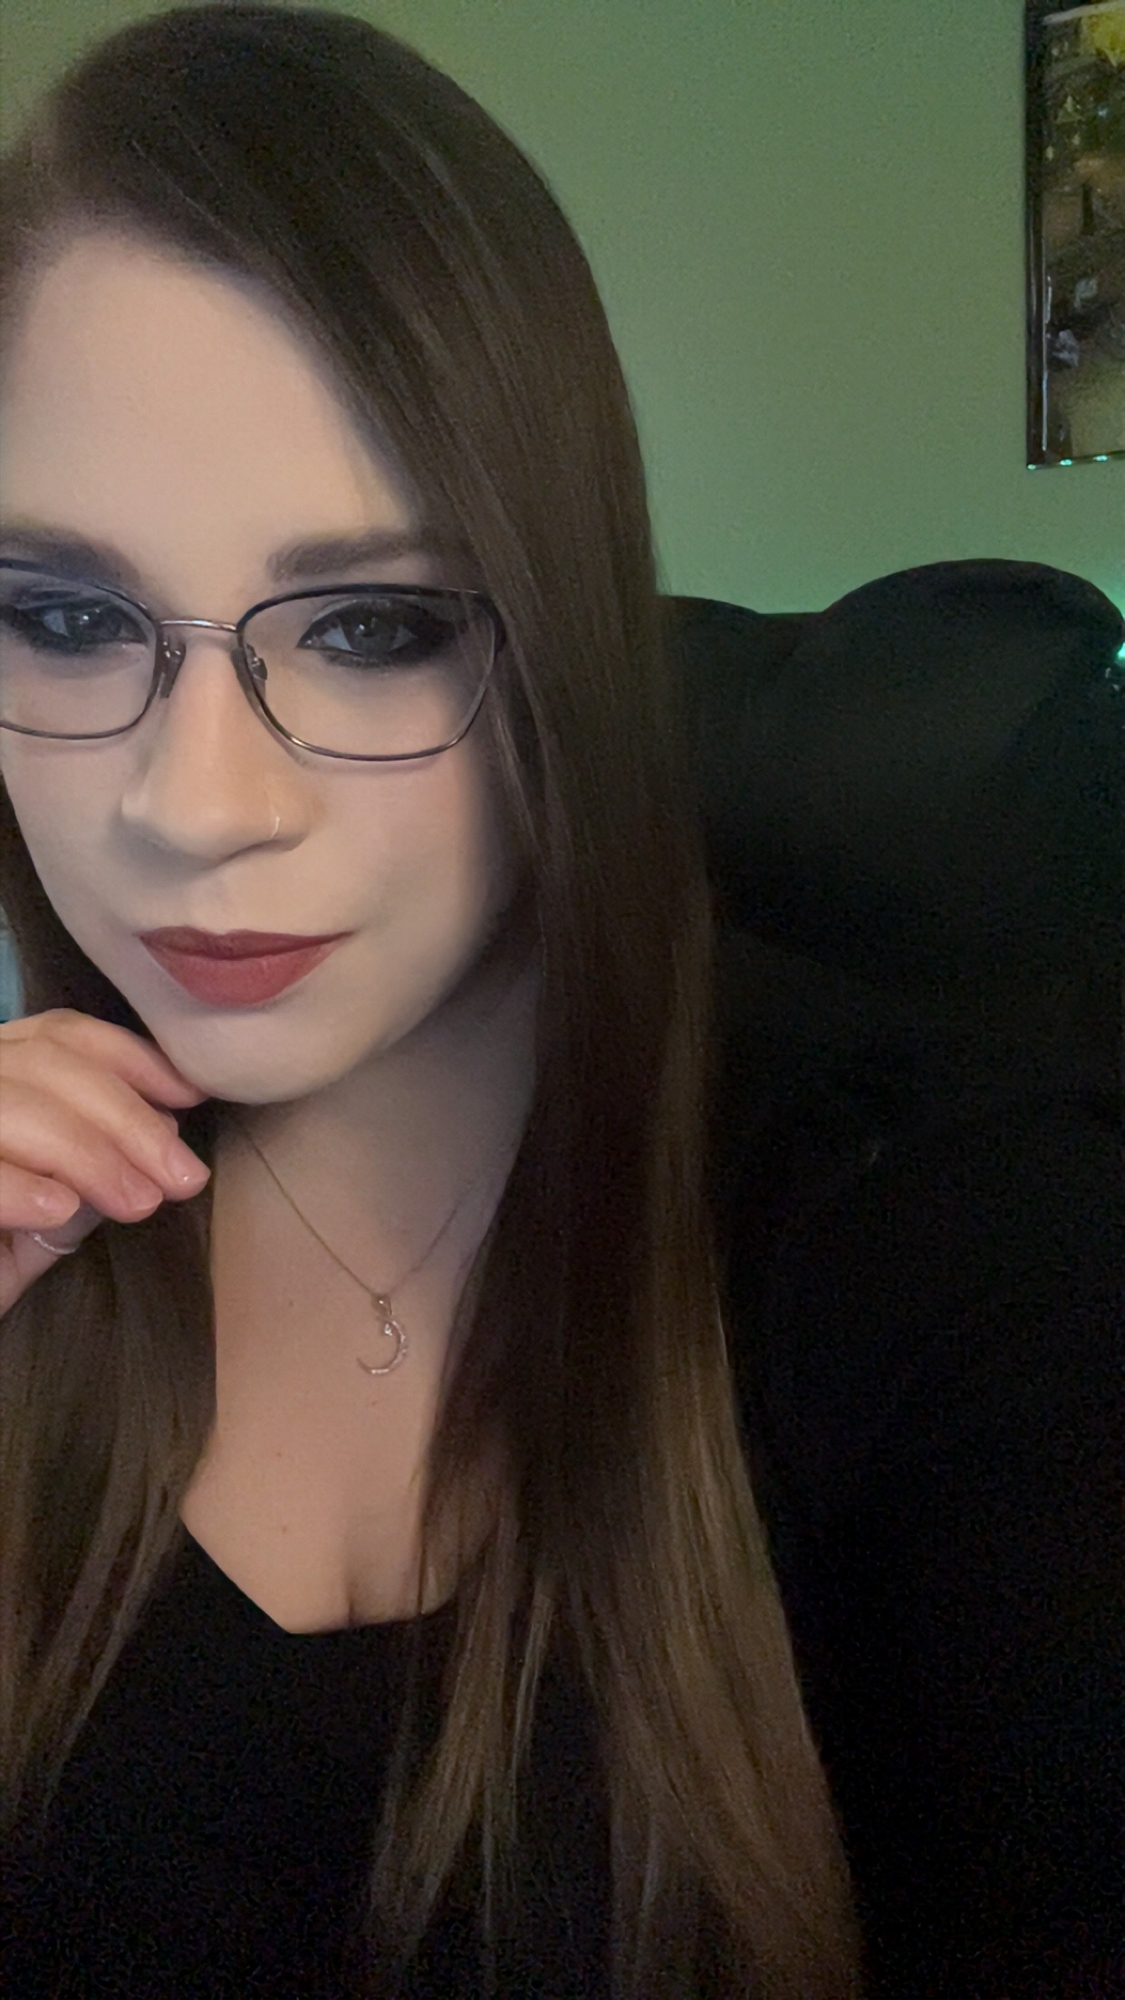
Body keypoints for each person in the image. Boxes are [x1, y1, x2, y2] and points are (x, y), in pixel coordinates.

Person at [0, 8, 862, 1998]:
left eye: (374, 626)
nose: (194, 805)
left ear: (557, 632)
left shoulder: (937, 1248)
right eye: (65, 617)